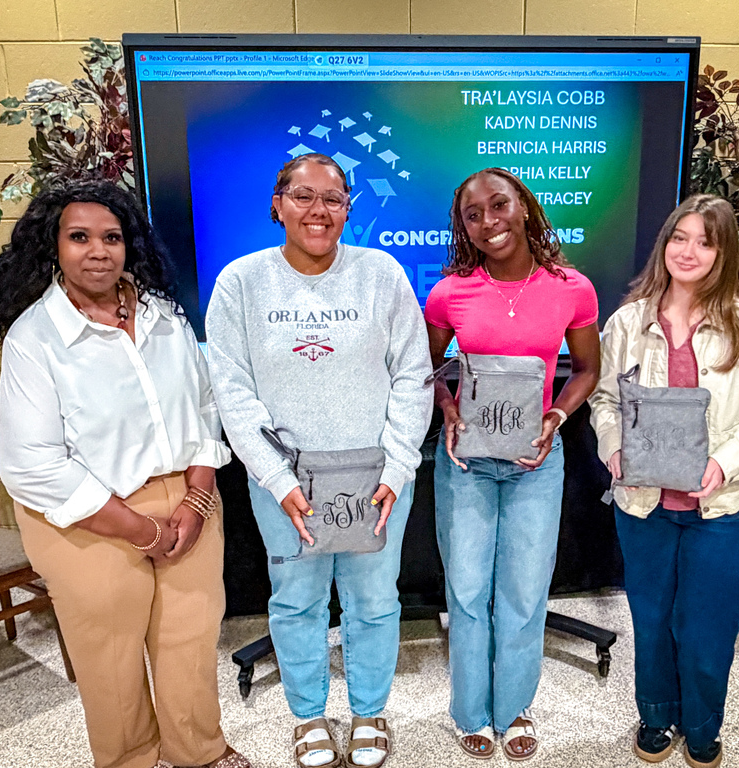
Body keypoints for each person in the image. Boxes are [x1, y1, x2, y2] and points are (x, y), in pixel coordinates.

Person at [0, 180, 251, 768]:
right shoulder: (36, 339)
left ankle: (197, 751)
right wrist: (140, 531)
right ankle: (130, 760)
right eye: (79, 237)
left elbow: (205, 408)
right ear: (54, 247)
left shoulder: (165, 317)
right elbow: (34, 466)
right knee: (112, 659)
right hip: (88, 518)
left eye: (111, 237)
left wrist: (197, 499)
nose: (98, 251)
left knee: (189, 642)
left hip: (186, 502)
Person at [205, 153, 432, 768]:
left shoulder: (381, 274)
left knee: (373, 601)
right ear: (277, 204)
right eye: (303, 196)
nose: (318, 210)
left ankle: (368, 711)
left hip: (376, 479)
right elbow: (232, 391)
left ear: (348, 208)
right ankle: (307, 716)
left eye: (333, 198)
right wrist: (277, 479)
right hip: (285, 482)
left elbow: (413, 376)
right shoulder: (240, 283)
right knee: (296, 598)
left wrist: (396, 467)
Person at [589, 194, 739, 768]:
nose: (689, 251)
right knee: (651, 619)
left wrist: (724, 460)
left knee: (707, 628)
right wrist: (613, 445)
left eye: (705, 241)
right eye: (680, 237)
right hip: (642, 502)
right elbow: (605, 401)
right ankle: (655, 715)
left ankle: (703, 726)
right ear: (664, 243)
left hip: (720, 508)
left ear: (724, 252)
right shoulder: (628, 323)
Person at [425, 168, 601, 761]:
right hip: (467, 464)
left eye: (499, 206)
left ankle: (516, 705)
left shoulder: (572, 288)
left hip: (534, 463)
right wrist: (447, 406)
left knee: (524, 593)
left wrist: (555, 417)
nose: (488, 222)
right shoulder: (450, 292)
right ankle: (471, 711)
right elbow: (426, 373)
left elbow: (588, 370)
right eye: (473, 215)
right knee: (469, 592)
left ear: (523, 207)